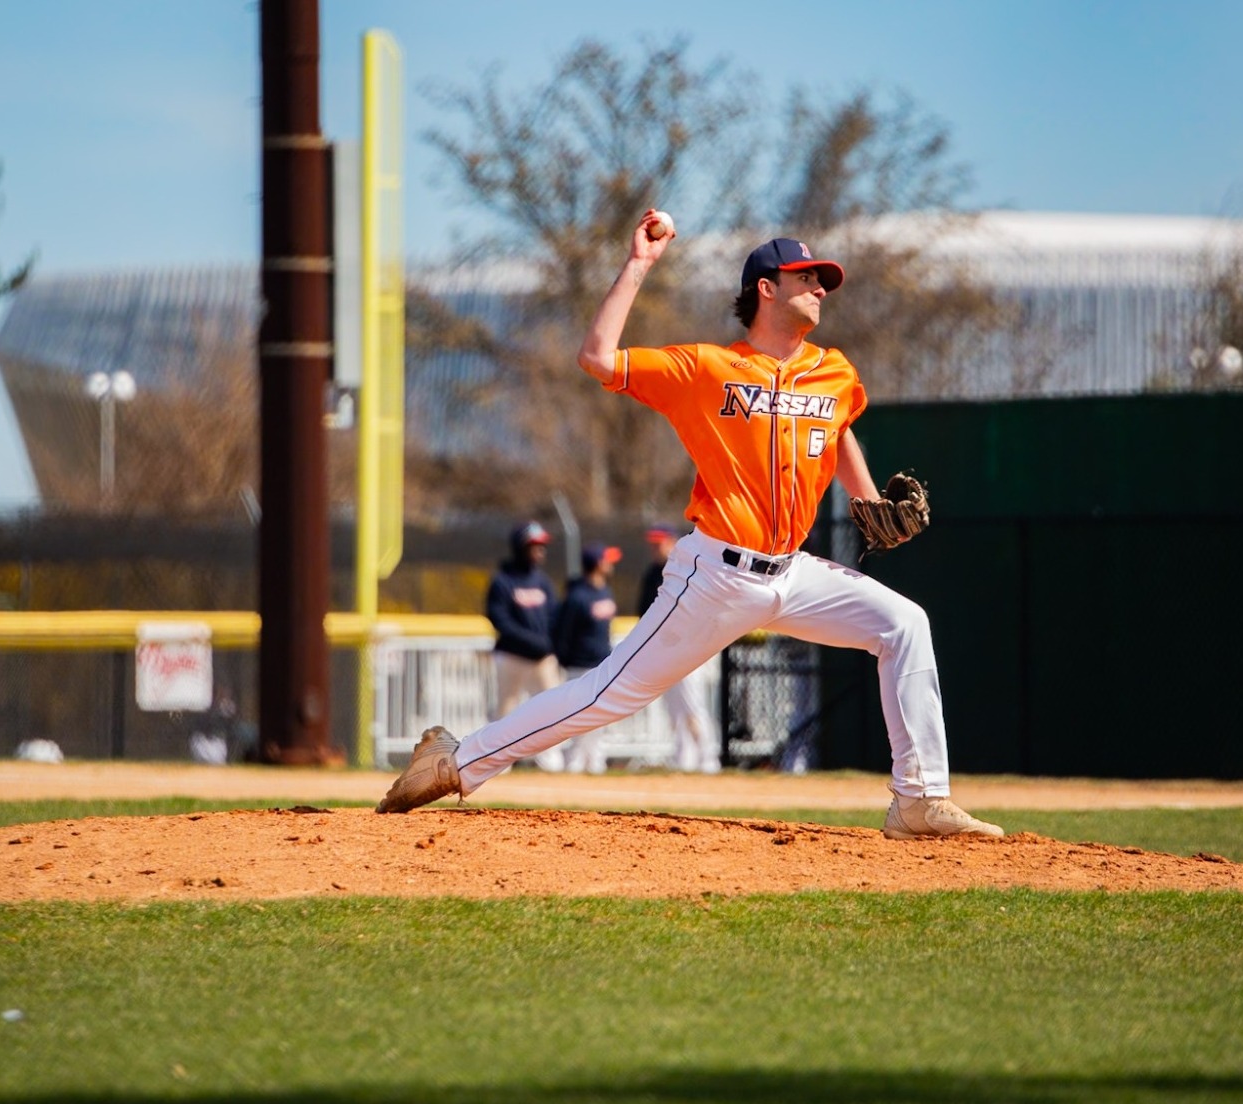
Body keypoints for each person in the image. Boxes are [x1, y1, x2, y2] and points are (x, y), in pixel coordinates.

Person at [380, 212, 1002, 840]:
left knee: (904, 624)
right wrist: (638, 265)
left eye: (822, 280)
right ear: (767, 288)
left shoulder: (834, 371)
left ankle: (919, 798)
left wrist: (867, 500)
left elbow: (836, 428)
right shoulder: (706, 368)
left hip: (794, 572)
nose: (820, 288)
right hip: (716, 576)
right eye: (806, 277)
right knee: (607, 695)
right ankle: (456, 760)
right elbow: (597, 357)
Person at [640, 523, 722, 774]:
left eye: (660, 543)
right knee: (675, 709)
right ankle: (684, 758)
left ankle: (708, 757)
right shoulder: (651, 574)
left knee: (693, 706)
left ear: (672, 542)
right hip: (663, 650)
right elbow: (644, 613)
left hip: (688, 649)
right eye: (653, 544)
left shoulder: (686, 568)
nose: (655, 548)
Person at [485, 521, 563, 766]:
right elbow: (500, 620)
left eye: (542, 546)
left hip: (542, 659)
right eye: (534, 546)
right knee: (506, 710)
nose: (540, 551)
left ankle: (549, 761)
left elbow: (554, 616)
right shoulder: (503, 581)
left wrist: (549, 644)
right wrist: (532, 642)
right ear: (520, 547)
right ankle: (500, 762)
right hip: (512, 656)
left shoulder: (542, 581)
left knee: (552, 710)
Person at [546, 542, 623, 775]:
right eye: (607, 560)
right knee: (579, 716)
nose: (611, 564)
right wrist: (565, 660)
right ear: (597, 564)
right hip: (579, 666)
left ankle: (594, 762)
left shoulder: (605, 591)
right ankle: (574, 763)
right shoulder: (577, 596)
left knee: (599, 718)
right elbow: (562, 632)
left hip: (602, 664)